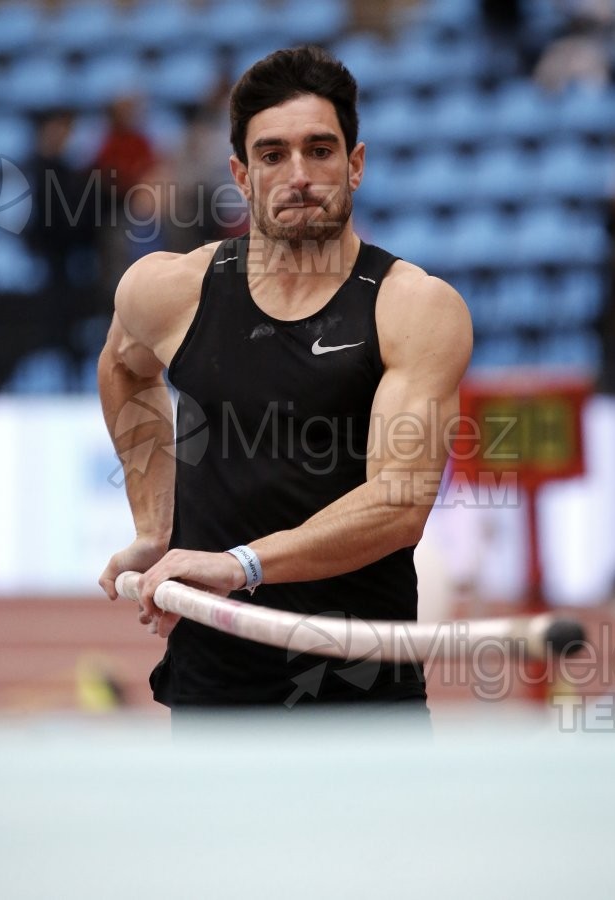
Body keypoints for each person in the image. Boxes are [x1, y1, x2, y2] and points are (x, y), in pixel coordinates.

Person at [97, 46, 472, 712]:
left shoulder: (412, 307)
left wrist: (236, 564)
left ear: (354, 165)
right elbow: (123, 370)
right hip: (213, 685)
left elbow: (397, 505)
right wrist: (155, 527)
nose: (298, 174)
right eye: (272, 155)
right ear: (241, 176)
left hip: (358, 690)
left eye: (319, 150)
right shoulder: (169, 292)